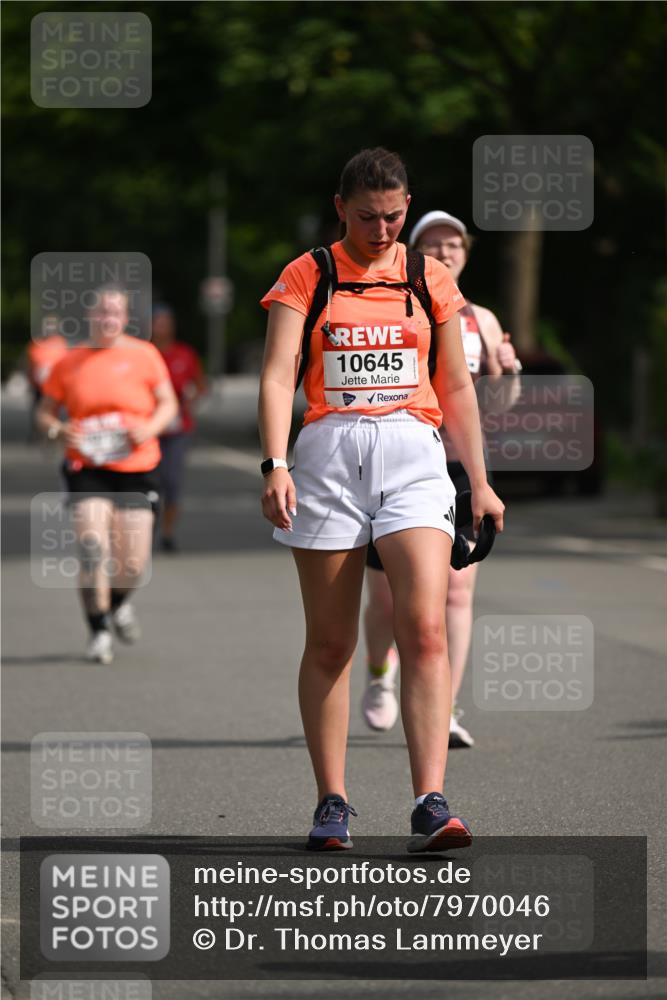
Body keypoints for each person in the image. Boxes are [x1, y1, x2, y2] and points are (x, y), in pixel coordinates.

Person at [258, 149, 505, 852]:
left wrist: (480, 482)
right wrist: (276, 462)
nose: (382, 228)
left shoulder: (427, 278)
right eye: (367, 216)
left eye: (394, 215)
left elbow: (456, 386)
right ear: (341, 208)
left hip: (412, 451)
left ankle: (430, 801)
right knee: (332, 641)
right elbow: (278, 378)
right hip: (329, 452)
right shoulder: (309, 273)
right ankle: (331, 801)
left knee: (423, 626)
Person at [362, 211, 521, 746]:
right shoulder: (395, 304)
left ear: (466, 253)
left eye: (453, 244)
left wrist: (508, 372)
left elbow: (495, 408)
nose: (445, 252)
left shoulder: (484, 320)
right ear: (414, 252)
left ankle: (445, 706)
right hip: (400, 462)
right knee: (386, 599)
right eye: (433, 244)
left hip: (458, 466)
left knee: (457, 589)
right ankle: (380, 676)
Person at [36, 286, 178, 664]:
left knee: (133, 563)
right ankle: (98, 629)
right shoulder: (71, 361)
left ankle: (115, 604)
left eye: (115, 312)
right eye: (102, 312)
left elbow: (168, 403)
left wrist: (150, 427)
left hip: (137, 466)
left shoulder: (144, 355)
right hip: (87, 466)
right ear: (90, 316)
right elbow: (45, 413)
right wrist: (57, 430)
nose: (108, 318)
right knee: (91, 547)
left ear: (125, 317)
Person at [151, 304, 207, 552]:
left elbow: (201, 385)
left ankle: (167, 532)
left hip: (178, 430)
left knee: (172, 481)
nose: (162, 326)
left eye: (166, 321)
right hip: (147, 431)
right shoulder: (144, 354)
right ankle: (144, 527)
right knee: (150, 483)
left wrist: (190, 402)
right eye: (158, 321)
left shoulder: (185, 354)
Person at [27, 315, 68, 437]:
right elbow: (30, 364)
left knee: (56, 410)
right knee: (38, 409)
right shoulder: (36, 343)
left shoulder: (61, 343)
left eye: (52, 325)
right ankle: (37, 433)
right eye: (47, 325)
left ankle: (56, 432)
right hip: (38, 386)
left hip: (56, 385)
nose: (49, 328)